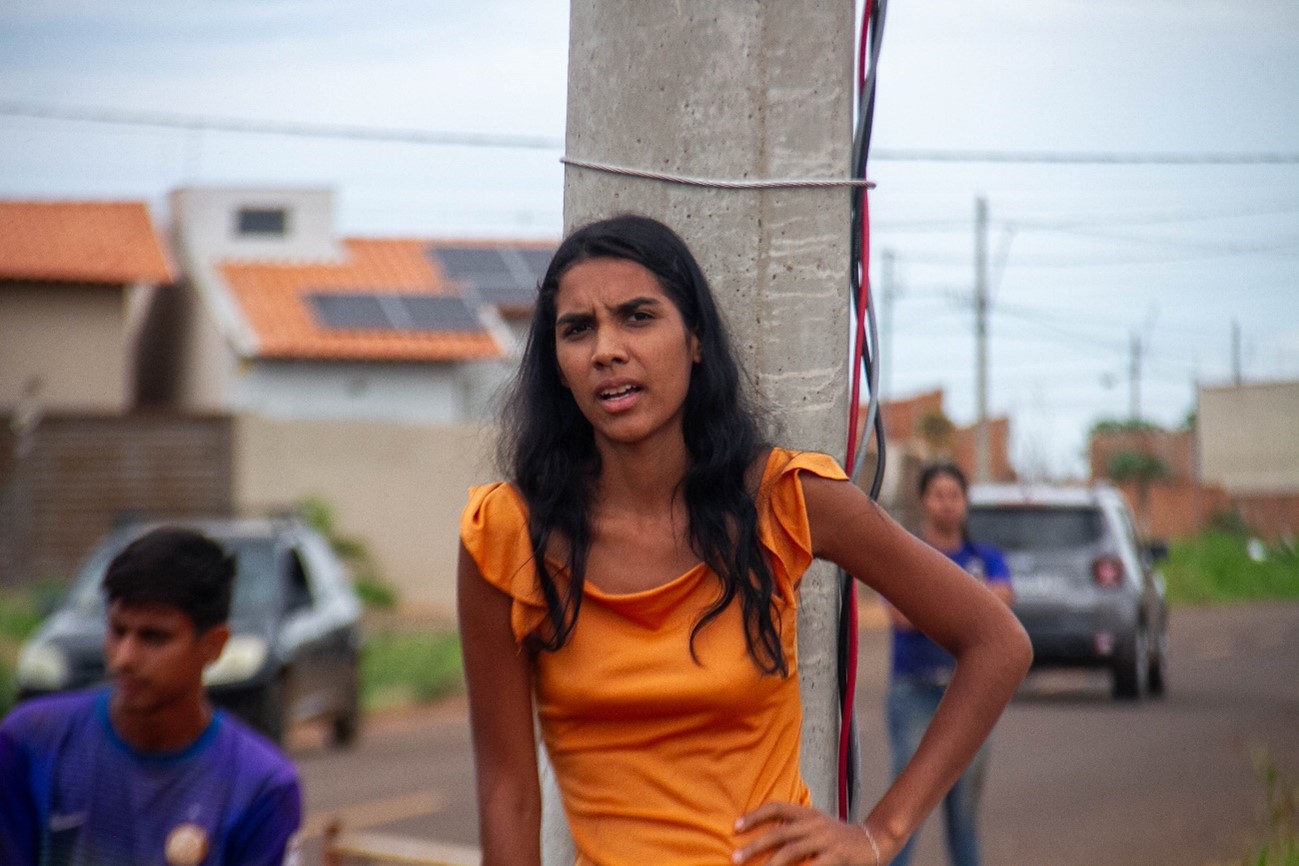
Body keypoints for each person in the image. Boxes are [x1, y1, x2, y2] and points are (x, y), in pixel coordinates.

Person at [457, 214, 1032, 866]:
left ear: (695, 340)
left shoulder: (782, 499)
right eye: (577, 329)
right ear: (558, 366)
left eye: (637, 317)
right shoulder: (507, 537)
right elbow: (507, 790)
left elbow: (996, 642)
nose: (606, 349)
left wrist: (878, 834)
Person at [0, 527, 302, 866]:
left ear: (213, 645)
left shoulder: (261, 786)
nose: (124, 658)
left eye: (154, 637)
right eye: (117, 631)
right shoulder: (32, 741)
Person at [886, 463, 1015, 866]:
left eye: (954, 495)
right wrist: (970, 605)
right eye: (938, 495)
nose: (947, 504)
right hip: (914, 692)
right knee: (904, 810)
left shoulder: (987, 556)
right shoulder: (905, 552)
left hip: (969, 695)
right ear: (924, 501)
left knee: (963, 814)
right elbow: (902, 616)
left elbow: (1001, 610)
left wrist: (932, 603)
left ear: (965, 501)